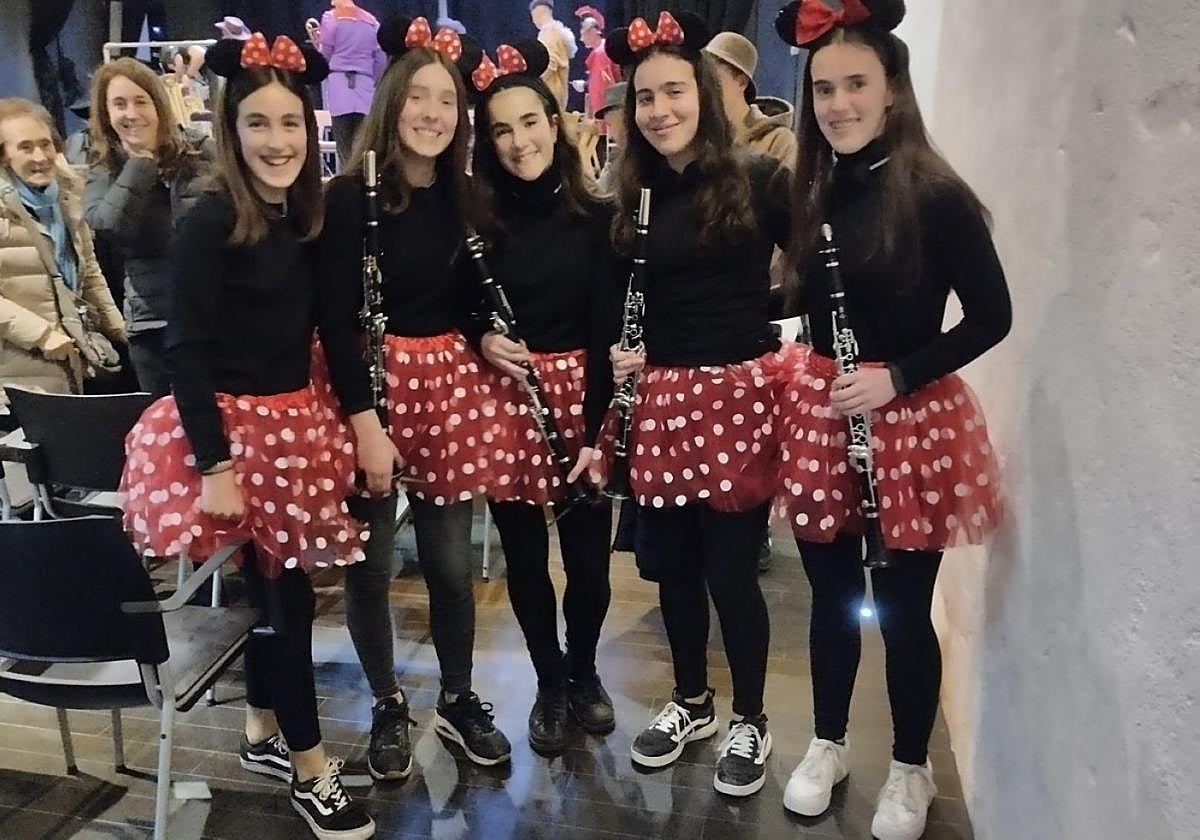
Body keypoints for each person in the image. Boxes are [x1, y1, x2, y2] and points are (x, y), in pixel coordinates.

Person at [119, 34, 375, 840]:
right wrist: (215, 465)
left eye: (290, 123)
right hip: (229, 436)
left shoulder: (306, 216)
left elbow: (335, 331)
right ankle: (310, 769)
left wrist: (364, 422)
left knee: (279, 590)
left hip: (295, 424)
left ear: (310, 126)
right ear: (231, 130)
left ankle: (263, 729)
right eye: (258, 123)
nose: (277, 141)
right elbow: (185, 350)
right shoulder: (209, 219)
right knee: (285, 602)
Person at [772, 3, 1011, 838]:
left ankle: (911, 765)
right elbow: (799, 298)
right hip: (825, 409)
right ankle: (828, 742)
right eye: (823, 89)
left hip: (906, 418)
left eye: (856, 84)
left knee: (904, 609)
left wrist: (896, 377)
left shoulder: (936, 195)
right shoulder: (814, 190)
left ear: (893, 88)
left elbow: (991, 317)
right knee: (832, 597)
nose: (838, 104)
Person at [316, 14, 512, 778]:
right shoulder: (347, 198)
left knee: (451, 566)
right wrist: (365, 423)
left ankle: (457, 698)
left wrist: (486, 335)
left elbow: (465, 301)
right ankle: (386, 703)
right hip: (368, 393)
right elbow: (336, 322)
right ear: (392, 102)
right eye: (418, 98)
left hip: (446, 387)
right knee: (369, 567)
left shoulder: (466, 197)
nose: (433, 113)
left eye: (447, 100)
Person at [603, 10, 792, 798]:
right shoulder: (632, 192)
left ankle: (751, 716)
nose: (660, 110)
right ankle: (692, 701)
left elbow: (815, 273)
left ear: (706, 96)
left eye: (674, 91)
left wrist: (761, 320)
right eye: (646, 97)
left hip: (738, 393)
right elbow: (620, 295)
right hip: (663, 396)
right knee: (673, 568)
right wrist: (621, 349)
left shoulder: (761, 177)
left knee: (730, 573)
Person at [467, 38, 622, 755]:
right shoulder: (478, 220)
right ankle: (549, 680)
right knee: (526, 562)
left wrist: (594, 430)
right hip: (509, 399)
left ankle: (584, 669)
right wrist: (481, 338)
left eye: (529, 122)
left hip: (583, 400)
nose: (518, 141)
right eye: (501, 130)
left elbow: (605, 330)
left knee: (589, 565)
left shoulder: (596, 217)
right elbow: (459, 307)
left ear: (555, 124)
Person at [84, 58, 213, 397]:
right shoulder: (103, 167)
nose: (131, 113)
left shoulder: (200, 151)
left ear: (158, 104)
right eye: (119, 104)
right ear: (106, 113)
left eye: (140, 101)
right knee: (163, 425)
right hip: (152, 325)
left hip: (212, 318)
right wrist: (141, 163)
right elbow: (109, 227)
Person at [0, 97, 126, 407]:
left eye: (45, 144)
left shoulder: (69, 197)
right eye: (25, 147)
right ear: (4, 156)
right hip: (17, 371)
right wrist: (41, 336)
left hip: (72, 359)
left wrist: (121, 329)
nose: (40, 156)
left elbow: (90, 272)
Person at [313, 0, 388, 170]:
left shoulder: (331, 18)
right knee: (364, 147)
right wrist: (373, 79)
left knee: (343, 148)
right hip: (366, 89)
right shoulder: (372, 22)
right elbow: (380, 58)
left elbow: (325, 53)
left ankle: (346, 178)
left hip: (339, 86)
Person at [704, 31, 797, 167]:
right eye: (702, 79)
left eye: (713, 80)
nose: (705, 87)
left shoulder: (778, 140)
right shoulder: (700, 136)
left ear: (741, 82)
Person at [574, 6, 621, 125]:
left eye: (583, 34)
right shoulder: (602, 50)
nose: (581, 39)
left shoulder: (600, 54)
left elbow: (601, 88)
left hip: (605, 113)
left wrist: (598, 117)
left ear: (593, 32)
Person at [527, 0, 577, 110]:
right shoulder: (554, 33)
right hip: (555, 91)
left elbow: (550, 63)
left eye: (533, 17)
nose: (533, 21)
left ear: (538, 14)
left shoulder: (550, 34)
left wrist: (534, 83)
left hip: (550, 92)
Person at [593, 81, 626, 192]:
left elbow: (600, 194)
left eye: (610, 125)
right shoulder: (617, 156)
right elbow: (600, 192)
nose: (610, 135)